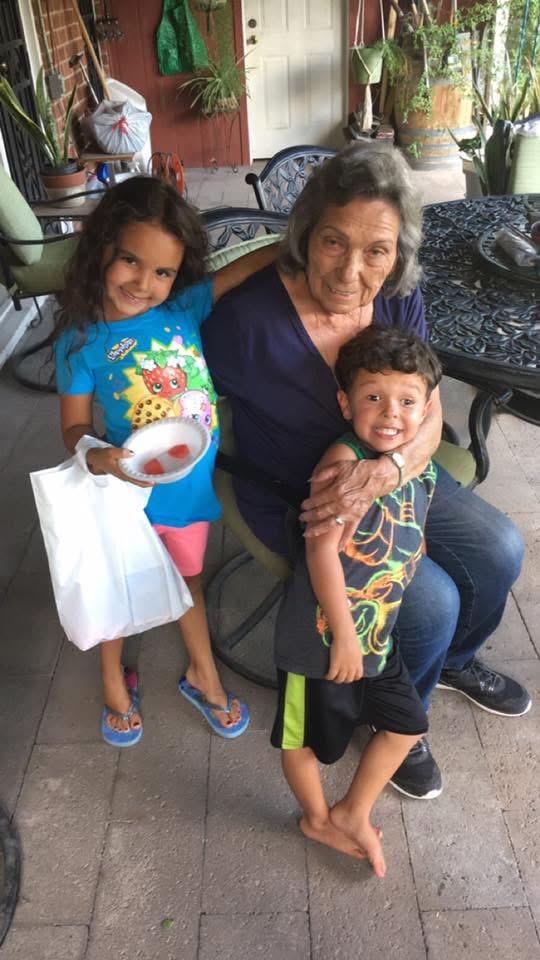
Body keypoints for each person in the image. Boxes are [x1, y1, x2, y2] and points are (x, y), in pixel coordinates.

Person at [202, 142, 530, 800]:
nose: (353, 270)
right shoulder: (246, 322)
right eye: (332, 242)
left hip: (394, 475)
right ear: (304, 235)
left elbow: (429, 411)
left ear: (397, 252)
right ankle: (394, 711)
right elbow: (165, 356)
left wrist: (390, 470)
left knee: (501, 547)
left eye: (376, 250)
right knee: (430, 601)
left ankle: (450, 665)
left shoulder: (397, 296)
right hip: (306, 497)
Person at [53, 175, 275, 747]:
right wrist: (95, 454)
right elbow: (73, 427)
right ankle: (112, 677)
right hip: (128, 491)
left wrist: (297, 239)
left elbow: (245, 269)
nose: (143, 283)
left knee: (187, 582)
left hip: (188, 489)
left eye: (162, 272)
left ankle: (202, 673)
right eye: (130, 260)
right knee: (119, 587)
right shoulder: (81, 341)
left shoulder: (186, 307)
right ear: (102, 246)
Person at [272, 325, 441, 876]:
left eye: (407, 401)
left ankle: (352, 811)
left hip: (375, 635)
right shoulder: (343, 466)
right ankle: (317, 816)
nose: (391, 413)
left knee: (407, 725)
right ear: (346, 403)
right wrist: (343, 635)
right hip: (320, 639)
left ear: (426, 407)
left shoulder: (413, 463)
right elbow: (322, 554)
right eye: (373, 397)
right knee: (299, 738)